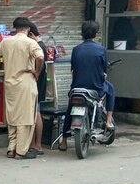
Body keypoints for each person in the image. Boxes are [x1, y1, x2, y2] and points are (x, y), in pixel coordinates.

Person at [0, 16, 44, 160]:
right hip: (26, 83)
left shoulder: (6, 41)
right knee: (26, 118)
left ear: (15, 28)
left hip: (10, 83)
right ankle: (21, 151)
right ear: (28, 29)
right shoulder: (30, 43)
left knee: (13, 117)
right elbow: (40, 58)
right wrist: (37, 72)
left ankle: (11, 148)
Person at [59, 20, 115, 152]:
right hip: (96, 88)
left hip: (77, 88)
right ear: (95, 33)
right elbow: (104, 72)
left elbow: (73, 71)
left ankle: (64, 141)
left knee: (70, 109)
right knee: (111, 89)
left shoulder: (76, 49)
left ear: (82, 33)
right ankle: (108, 121)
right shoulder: (101, 50)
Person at [28, 22, 48, 156]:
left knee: (36, 113)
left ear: (30, 34)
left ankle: (38, 145)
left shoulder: (38, 46)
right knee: (36, 113)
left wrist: (35, 73)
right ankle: (36, 144)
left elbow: (38, 64)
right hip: (39, 84)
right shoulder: (41, 45)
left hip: (37, 84)